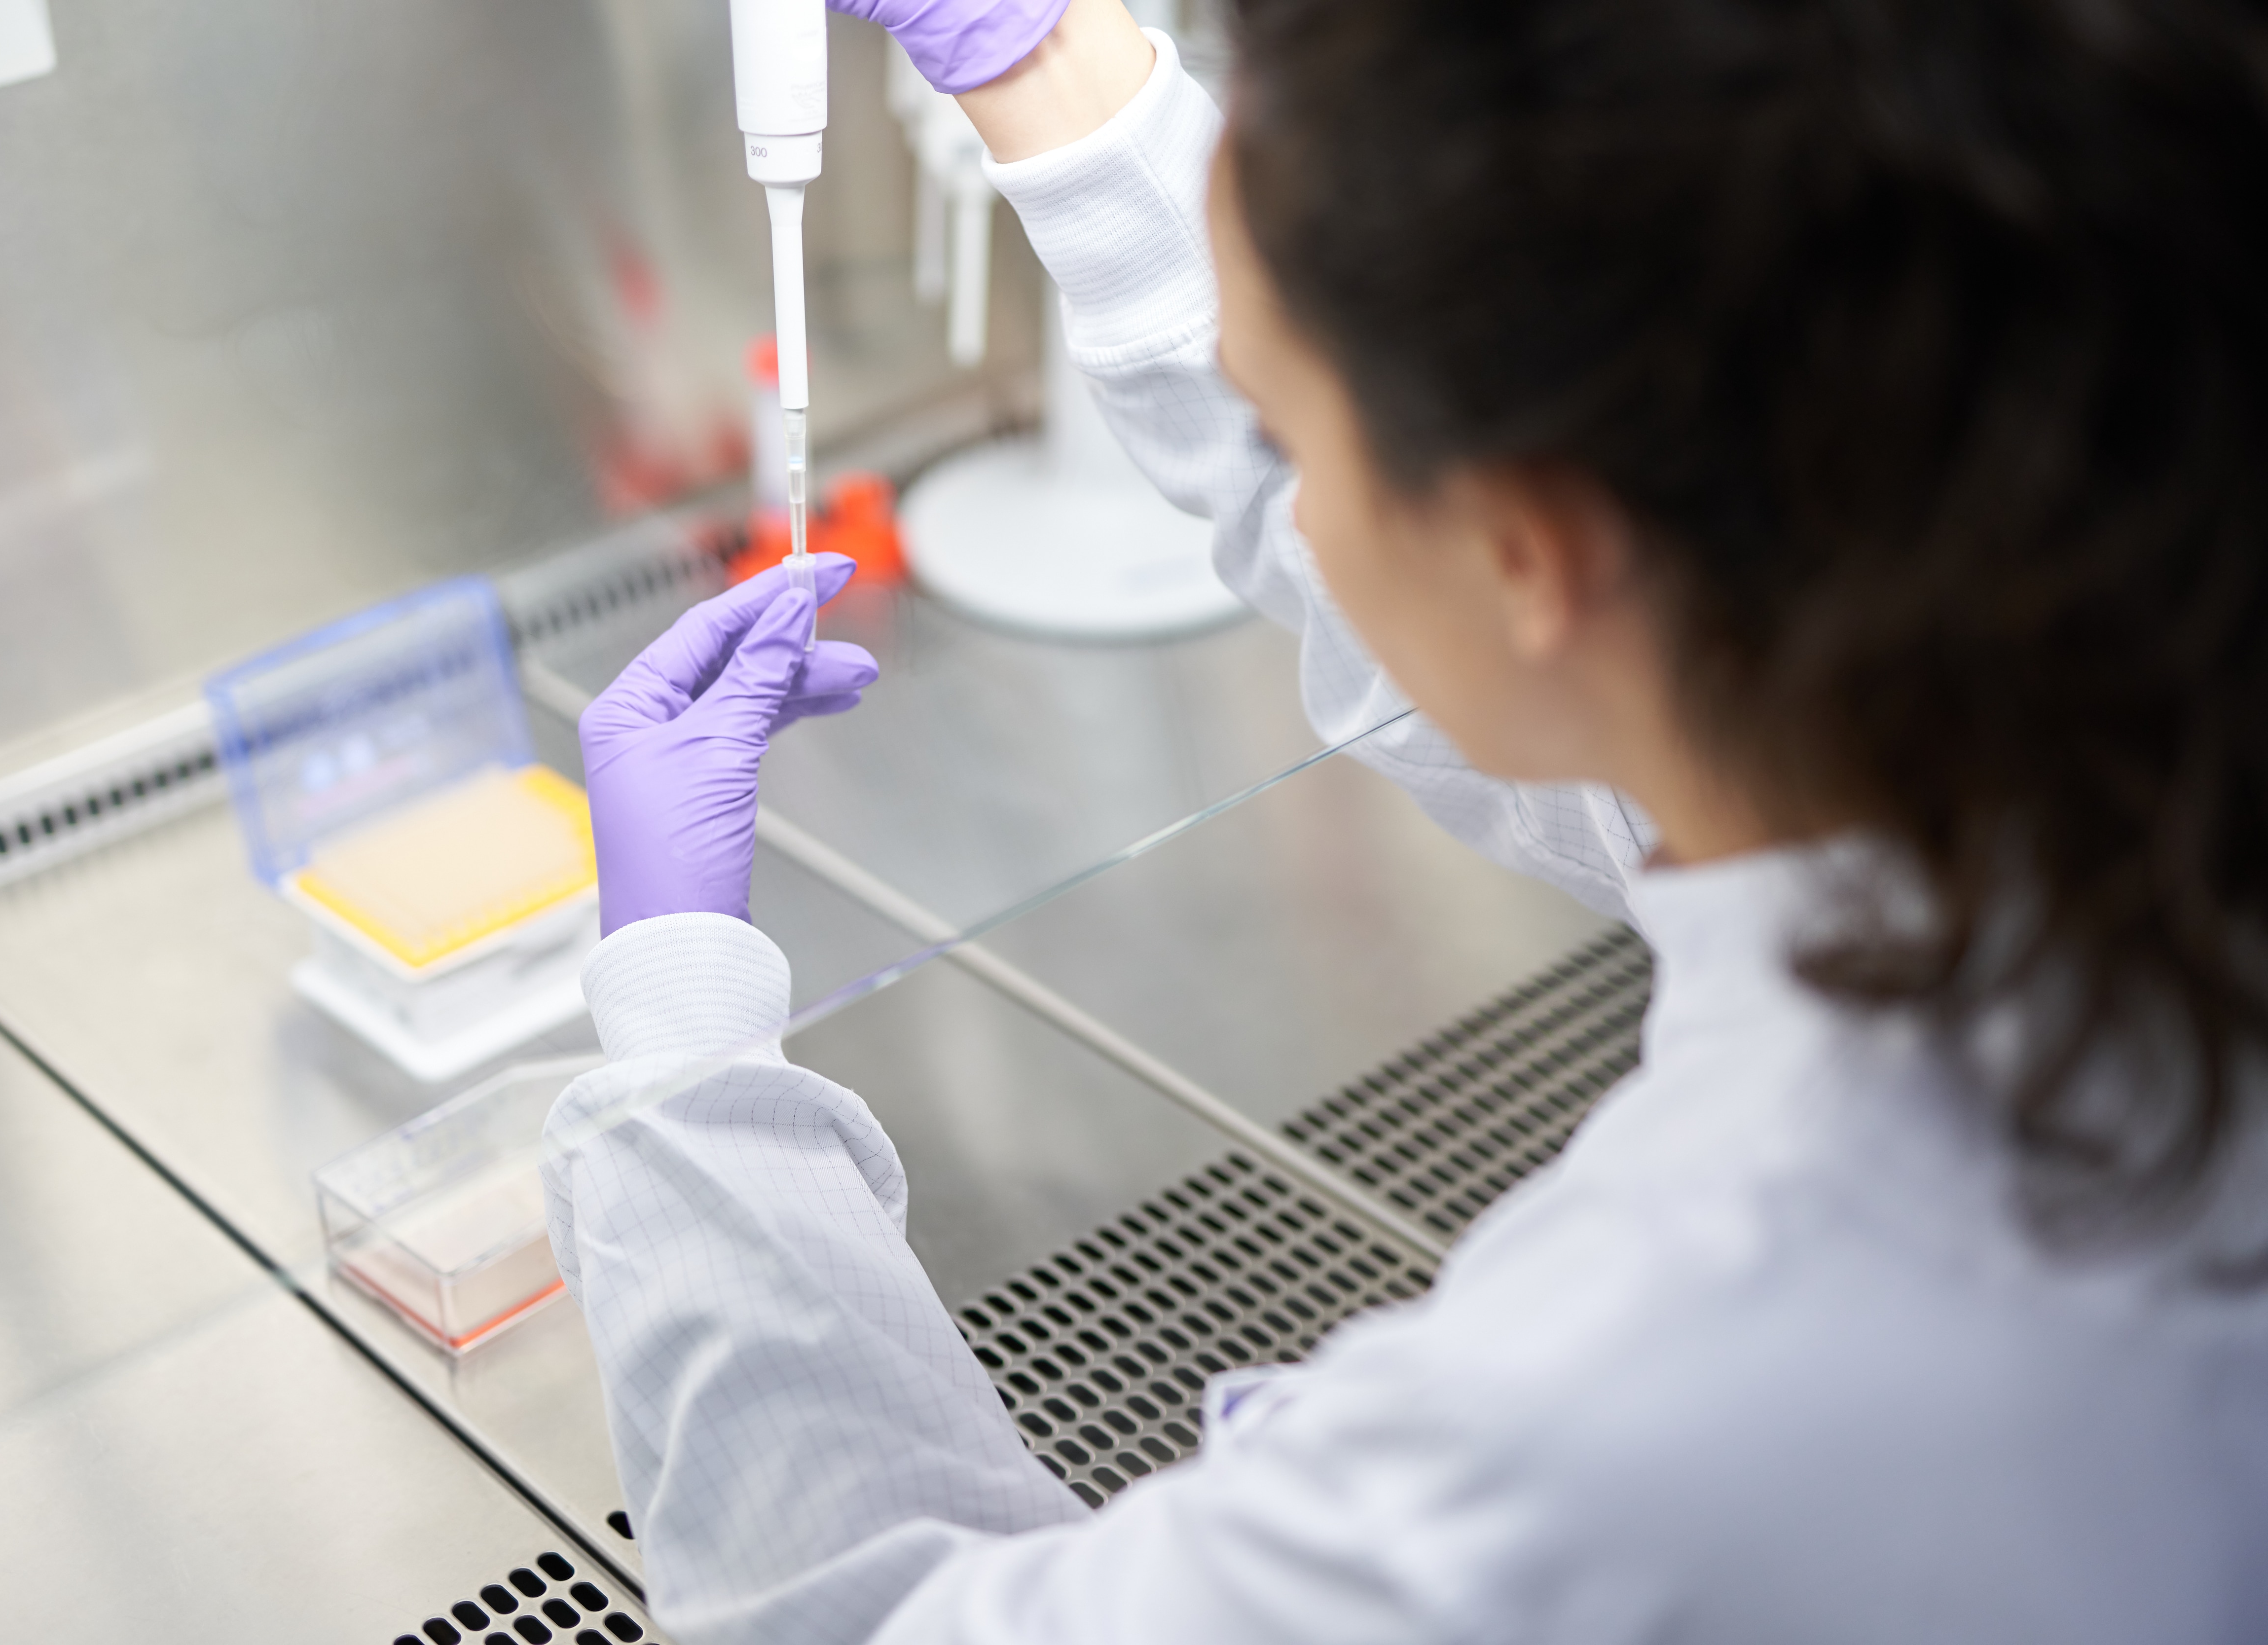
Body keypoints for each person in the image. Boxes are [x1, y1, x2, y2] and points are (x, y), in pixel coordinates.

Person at [545, 0, 2268, 1639]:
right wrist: (1052, 64)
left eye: (1288, 428)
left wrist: (688, 1039)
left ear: (1535, 548)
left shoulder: (1635, 1400)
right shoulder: (2076, 722)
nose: (1268, 472)